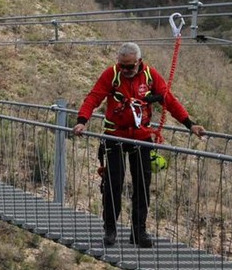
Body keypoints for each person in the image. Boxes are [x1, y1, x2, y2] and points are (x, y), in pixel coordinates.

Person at [73, 42, 205, 247]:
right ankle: (110, 230)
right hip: (114, 136)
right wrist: (82, 121)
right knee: (113, 183)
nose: (125, 71)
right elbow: (94, 97)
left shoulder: (150, 76)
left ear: (139, 62)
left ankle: (138, 232)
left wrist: (190, 124)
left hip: (141, 137)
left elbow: (168, 100)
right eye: (122, 66)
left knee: (142, 185)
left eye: (130, 67)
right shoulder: (111, 75)